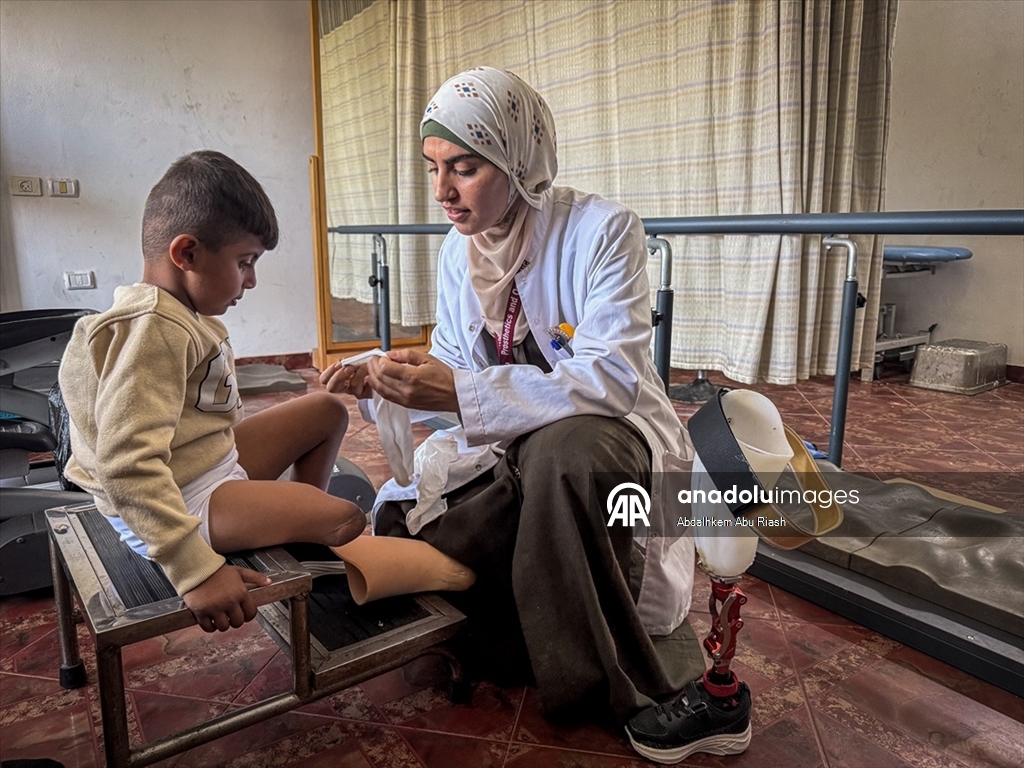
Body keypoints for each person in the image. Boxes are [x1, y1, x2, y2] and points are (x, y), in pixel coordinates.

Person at [321, 67, 751, 761]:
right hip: (514, 448)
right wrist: (393, 376)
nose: (443, 193)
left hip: (609, 445)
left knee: (563, 455)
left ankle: (615, 687)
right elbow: (456, 360)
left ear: (519, 161)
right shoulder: (459, 254)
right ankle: (532, 631)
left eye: (463, 168)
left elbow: (610, 377)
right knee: (413, 524)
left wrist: (458, 392)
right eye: (433, 169)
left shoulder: (604, 232)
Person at [59, 150, 366, 635]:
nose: (252, 279)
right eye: (244, 262)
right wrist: (197, 571)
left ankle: (271, 520)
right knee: (345, 520)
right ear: (187, 254)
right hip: (175, 502)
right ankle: (266, 525)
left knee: (326, 410)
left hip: (204, 464)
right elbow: (126, 465)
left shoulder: (177, 313)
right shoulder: (154, 330)